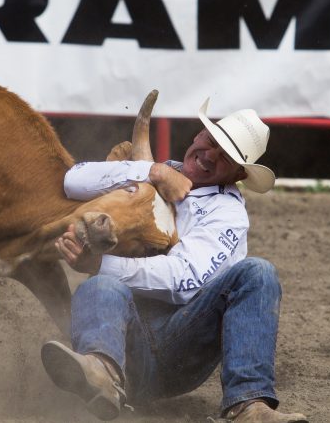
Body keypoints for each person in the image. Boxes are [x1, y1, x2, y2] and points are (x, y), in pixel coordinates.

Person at [41, 98, 308, 423]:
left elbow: (184, 279)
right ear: (198, 135)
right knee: (103, 286)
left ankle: (249, 405)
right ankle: (101, 372)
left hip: (178, 349)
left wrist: (100, 264)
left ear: (238, 173)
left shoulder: (228, 214)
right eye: (211, 142)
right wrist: (153, 170)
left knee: (257, 273)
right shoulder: (156, 173)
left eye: (225, 157)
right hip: (125, 339)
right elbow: (73, 180)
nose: (210, 155)